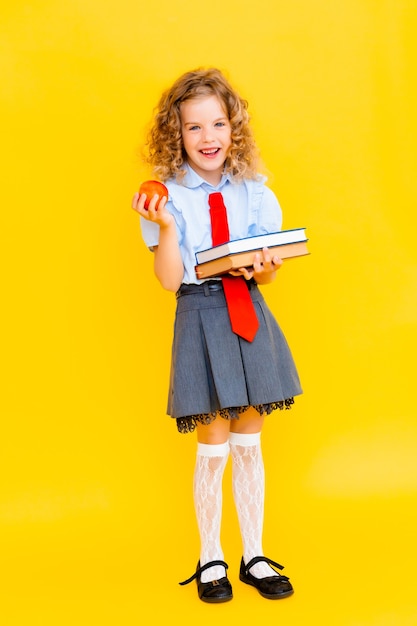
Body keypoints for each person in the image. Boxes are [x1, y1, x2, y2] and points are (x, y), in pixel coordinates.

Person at [132, 67, 302, 603]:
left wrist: (267, 264)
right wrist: (164, 229)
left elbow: (266, 271)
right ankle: (211, 559)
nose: (209, 138)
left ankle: (253, 555)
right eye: (193, 128)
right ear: (175, 135)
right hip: (201, 315)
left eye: (218, 124)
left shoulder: (255, 192)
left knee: (250, 440)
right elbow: (167, 280)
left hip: (249, 313)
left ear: (235, 129)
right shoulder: (168, 199)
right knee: (214, 445)